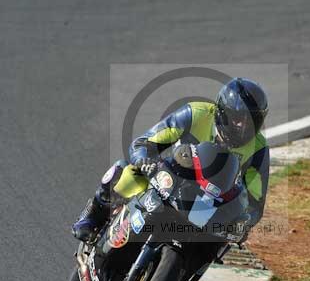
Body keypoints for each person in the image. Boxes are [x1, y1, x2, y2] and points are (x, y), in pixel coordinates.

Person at [72, 77, 270, 243]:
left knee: (221, 241)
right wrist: (144, 161)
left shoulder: (259, 149)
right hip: (170, 180)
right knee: (128, 172)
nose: (242, 127)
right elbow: (143, 143)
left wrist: (245, 222)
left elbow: (255, 202)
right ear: (222, 112)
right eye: (237, 119)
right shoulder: (196, 114)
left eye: (251, 122)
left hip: (210, 206)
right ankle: (93, 214)